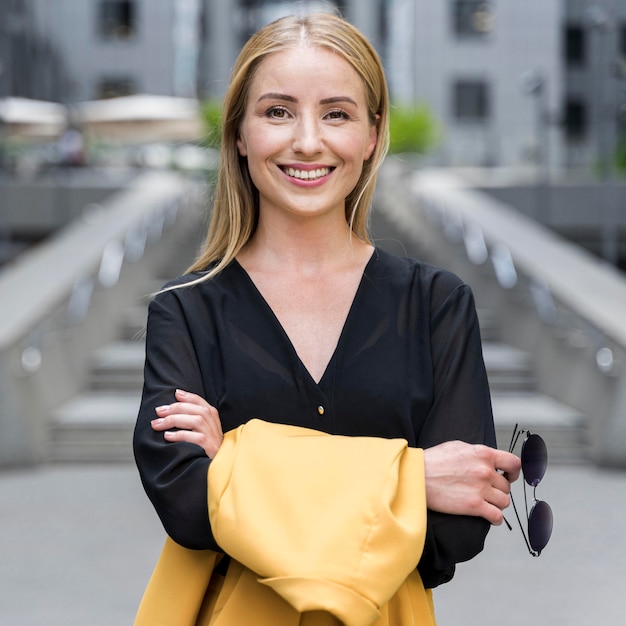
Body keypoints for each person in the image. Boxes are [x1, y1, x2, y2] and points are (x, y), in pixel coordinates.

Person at [133, 11, 521, 626]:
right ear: (239, 133)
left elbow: (455, 529)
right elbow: (185, 506)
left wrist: (236, 461)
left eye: (336, 113)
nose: (307, 141)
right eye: (278, 111)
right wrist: (412, 477)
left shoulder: (436, 305)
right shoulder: (185, 311)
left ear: (371, 135)